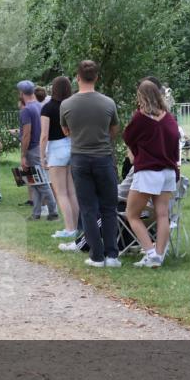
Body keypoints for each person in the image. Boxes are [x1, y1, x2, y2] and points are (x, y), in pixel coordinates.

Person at [60, 61, 121, 268]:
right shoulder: (108, 103)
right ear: (96, 77)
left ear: (77, 77)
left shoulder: (66, 105)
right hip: (104, 158)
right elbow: (114, 130)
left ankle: (96, 256)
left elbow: (66, 131)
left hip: (79, 158)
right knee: (109, 207)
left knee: (87, 209)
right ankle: (112, 255)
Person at [122, 80, 181, 268]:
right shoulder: (169, 118)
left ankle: (150, 253)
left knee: (132, 214)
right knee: (162, 214)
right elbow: (175, 142)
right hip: (168, 171)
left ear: (140, 96)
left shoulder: (140, 118)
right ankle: (159, 255)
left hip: (148, 171)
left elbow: (128, 137)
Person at [41, 76, 78, 238]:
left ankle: (69, 229)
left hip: (56, 149)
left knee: (61, 193)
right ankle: (77, 226)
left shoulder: (48, 108)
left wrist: (42, 155)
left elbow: (44, 135)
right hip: (72, 145)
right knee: (72, 192)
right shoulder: (72, 105)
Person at [17, 80, 58, 221]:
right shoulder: (39, 106)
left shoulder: (26, 110)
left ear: (22, 93)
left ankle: (53, 212)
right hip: (40, 147)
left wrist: (23, 155)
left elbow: (26, 134)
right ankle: (36, 213)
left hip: (32, 149)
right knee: (34, 182)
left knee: (41, 183)